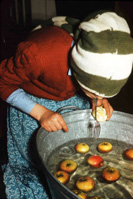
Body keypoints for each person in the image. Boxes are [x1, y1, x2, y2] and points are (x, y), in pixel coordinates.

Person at [0, 10, 133, 199]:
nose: (97, 96)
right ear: (78, 66)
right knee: (34, 163)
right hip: (30, 100)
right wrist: (40, 113)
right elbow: (2, 82)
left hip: (67, 97)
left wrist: (100, 98)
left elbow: (98, 82)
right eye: (94, 91)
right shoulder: (38, 54)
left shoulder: (100, 51)